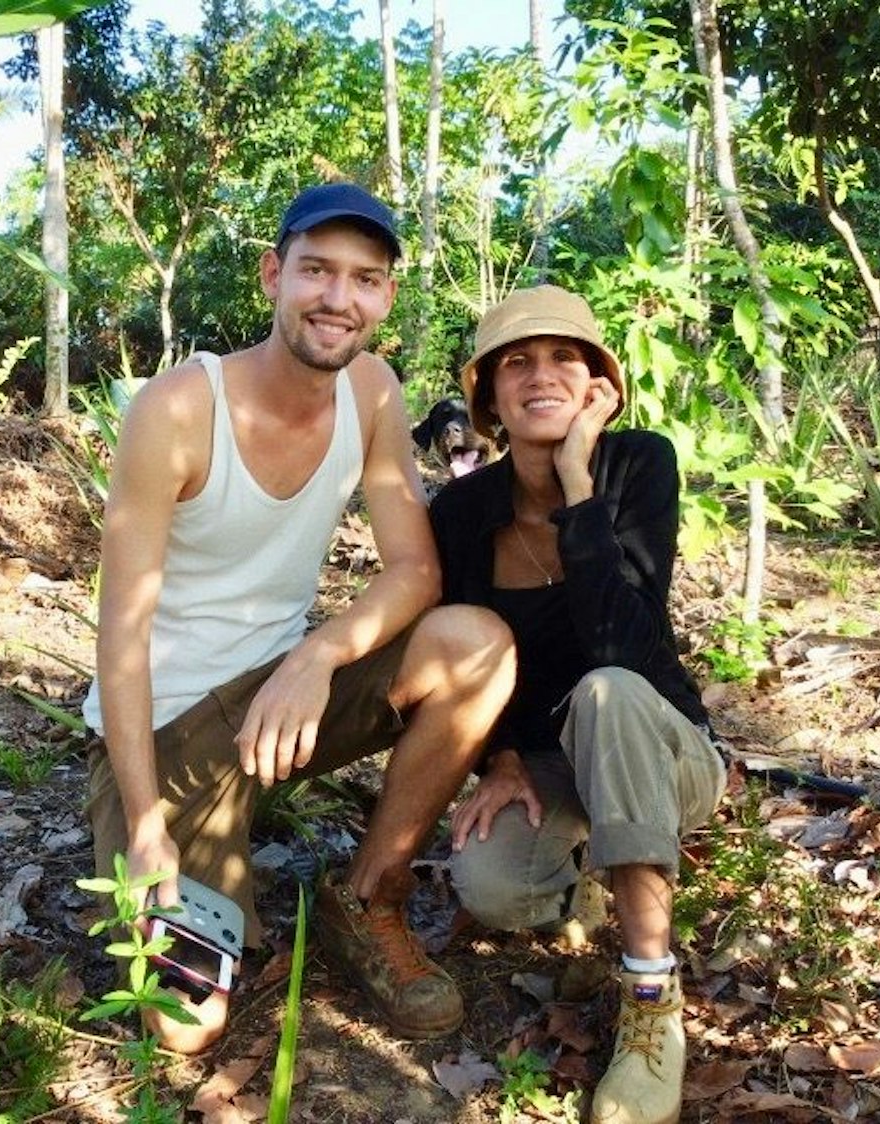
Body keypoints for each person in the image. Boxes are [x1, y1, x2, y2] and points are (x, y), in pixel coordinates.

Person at [84, 183, 515, 1054]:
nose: (337, 298)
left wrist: (316, 656)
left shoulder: (373, 392)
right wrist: (141, 825)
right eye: (316, 271)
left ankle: (369, 899)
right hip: (169, 729)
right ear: (272, 275)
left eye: (364, 279)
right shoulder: (176, 410)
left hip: (282, 706)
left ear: (385, 297)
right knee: (183, 1029)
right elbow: (120, 636)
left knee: (477, 645)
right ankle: (192, 841)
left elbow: (416, 571)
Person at [428, 286, 725, 1124]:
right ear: (486, 393)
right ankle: (595, 879)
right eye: (515, 361)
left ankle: (649, 998)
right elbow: (464, 654)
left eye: (564, 356)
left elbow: (620, 645)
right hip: (558, 761)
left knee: (607, 690)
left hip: (662, 747)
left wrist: (574, 479)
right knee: (493, 890)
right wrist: (501, 757)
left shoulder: (639, 463)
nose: (539, 375)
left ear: (598, 382)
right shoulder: (462, 511)